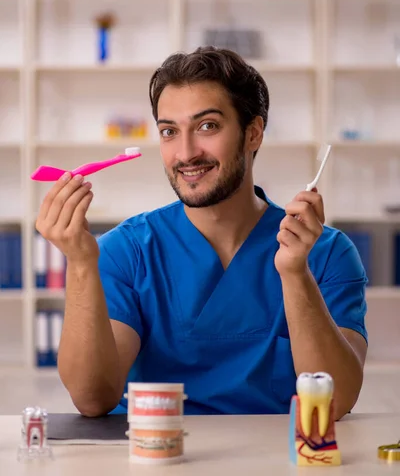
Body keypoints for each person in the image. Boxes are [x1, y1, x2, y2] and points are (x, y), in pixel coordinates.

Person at [35, 47, 368, 419]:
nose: (186, 153)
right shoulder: (125, 251)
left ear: (253, 133)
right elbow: (93, 398)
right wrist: (80, 264)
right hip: (158, 458)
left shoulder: (327, 252)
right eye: (169, 131)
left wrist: (295, 275)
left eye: (207, 126)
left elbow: (336, 401)